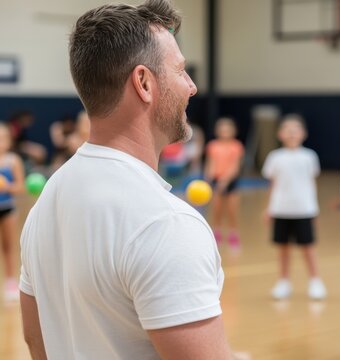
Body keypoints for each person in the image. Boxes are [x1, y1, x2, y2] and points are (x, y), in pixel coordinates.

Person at [19, 1, 242, 359]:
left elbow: (35, 340)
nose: (192, 86)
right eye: (181, 70)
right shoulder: (166, 224)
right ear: (144, 82)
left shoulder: (47, 202)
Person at [262, 114, 327, 301]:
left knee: (308, 248)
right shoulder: (275, 157)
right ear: (280, 134)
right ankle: (283, 282)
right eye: (287, 130)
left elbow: (311, 184)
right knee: (283, 248)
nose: (291, 133)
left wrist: (314, 209)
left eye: (295, 130)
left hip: (304, 210)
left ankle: (315, 281)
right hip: (281, 210)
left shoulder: (309, 156)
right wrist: (269, 208)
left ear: (303, 134)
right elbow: (272, 185)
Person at [205, 117, 244, 248]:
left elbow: (235, 167)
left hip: (231, 182)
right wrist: (208, 179)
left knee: (232, 210)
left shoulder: (236, 146)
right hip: (216, 181)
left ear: (233, 131)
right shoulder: (212, 146)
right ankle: (216, 234)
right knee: (216, 210)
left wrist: (225, 180)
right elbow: (210, 164)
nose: (224, 132)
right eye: (222, 130)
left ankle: (233, 234)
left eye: (227, 129)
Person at [0, 123, 25, 303]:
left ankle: (10, 283)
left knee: (9, 246)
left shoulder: (13, 160)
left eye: (3, 138)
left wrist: (8, 187)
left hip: (7, 208)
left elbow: (20, 186)